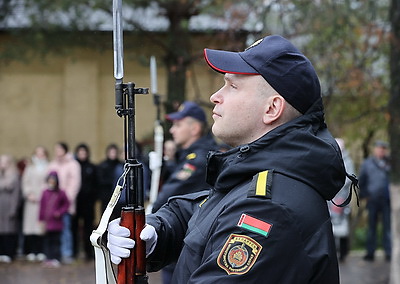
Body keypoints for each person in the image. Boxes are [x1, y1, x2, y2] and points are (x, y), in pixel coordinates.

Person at [107, 35, 348, 283]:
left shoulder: (271, 209)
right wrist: (157, 232)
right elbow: (206, 210)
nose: (215, 96)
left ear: (272, 109)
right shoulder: (259, 176)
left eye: (232, 86)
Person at [148, 101, 218, 283]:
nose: (172, 130)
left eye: (178, 125)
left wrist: (152, 217)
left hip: (187, 239)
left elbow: (169, 194)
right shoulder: (191, 155)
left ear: (194, 128)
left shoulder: (197, 159)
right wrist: (169, 164)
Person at [48, 142, 81, 264]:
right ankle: (54, 254)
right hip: (52, 203)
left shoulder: (73, 164)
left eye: (59, 149)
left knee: (66, 228)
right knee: (53, 230)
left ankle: (67, 253)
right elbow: (47, 182)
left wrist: (65, 199)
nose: (57, 151)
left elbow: (75, 184)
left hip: (65, 203)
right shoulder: (52, 164)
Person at [359, 140, 391, 262]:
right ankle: (370, 253)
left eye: (383, 149)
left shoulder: (390, 163)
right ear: (375, 149)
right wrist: (365, 195)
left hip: (386, 201)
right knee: (371, 228)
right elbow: (361, 181)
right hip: (372, 200)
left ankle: (389, 252)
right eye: (379, 148)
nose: (381, 150)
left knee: (387, 228)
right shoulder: (367, 164)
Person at [328, 138, 355, 262]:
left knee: (343, 227)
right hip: (329, 198)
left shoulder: (347, 161)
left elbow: (350, 178)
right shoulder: (328, 157)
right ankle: (332, 252)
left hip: (342, 198)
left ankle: (343, 253)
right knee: (330, 225)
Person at [21, 146, 49, 262]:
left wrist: (45, 194)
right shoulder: (30, 168)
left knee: (41, 227)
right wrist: (29, 194)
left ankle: (41, 251)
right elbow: (25, 182)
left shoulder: (49, 167)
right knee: (31, 227)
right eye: (38, 153)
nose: (40, 155)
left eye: (42, 153)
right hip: (32, 202)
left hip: (44, 201)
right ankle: (32, 251)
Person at [39, 171, 70, 268]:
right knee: (47, 241)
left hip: (57, 223)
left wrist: (59, 212)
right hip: (47, 222)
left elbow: (66, 204)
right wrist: (40, 219)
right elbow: (42, 207)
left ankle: (56, 258)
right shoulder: (45, 192)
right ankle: (48, 257)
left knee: (56, 241)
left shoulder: (61, 193)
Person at [72, 143, 97, 260]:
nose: (82, 155)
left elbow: (96, 184)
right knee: (74, 227)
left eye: (84, 153)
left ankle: (88, 251)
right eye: (80, 153)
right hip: (76, 202)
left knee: (88, 228)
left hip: (88, 203)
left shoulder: (91, 167)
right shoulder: (74, 167)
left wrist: (93, 198)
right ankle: (74, 251)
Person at [0, 154, 21, 263]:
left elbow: (16, 194)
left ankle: (9, 253)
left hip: (9, 206)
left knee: (9, 230)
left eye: (3, 162)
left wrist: (14, 208)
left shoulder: (14, 175)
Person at [97, 143, 121, 213]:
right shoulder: (103, 165)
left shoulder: (119, 165)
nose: (113, 154)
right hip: (106, 195)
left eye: (114, 152)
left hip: (117, 195)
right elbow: (100, 180)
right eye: (111, 152)